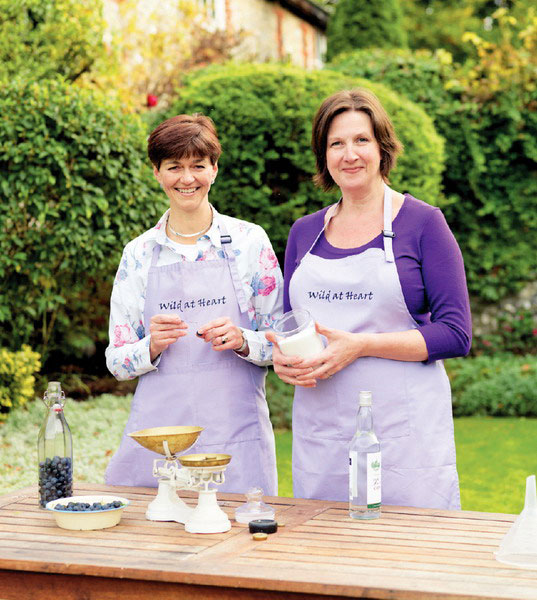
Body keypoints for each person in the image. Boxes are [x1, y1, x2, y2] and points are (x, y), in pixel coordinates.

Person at [267, 89, 472, 509]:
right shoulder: (303, 234)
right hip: (323, 432)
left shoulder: (422, 223)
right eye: (336, 143)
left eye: (361, 140)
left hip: (404, 437)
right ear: (324, 155)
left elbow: (456, 334)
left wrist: (361, 346)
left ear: (382, 146)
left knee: (406, 557)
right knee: (324, 556)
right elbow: (293, 326)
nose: (350, 154)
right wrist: (282, 359)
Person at [105, 114, 282, 495]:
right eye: (174, 167)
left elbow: (281, 344)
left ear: (214, 170)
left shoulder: (250, 242)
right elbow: (117, 362)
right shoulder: (139, 254)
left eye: (198, 166)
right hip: (160, 442)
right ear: (157, 172)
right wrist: (150, 345)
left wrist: (242, 339)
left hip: (236, 436)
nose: (187, 179)